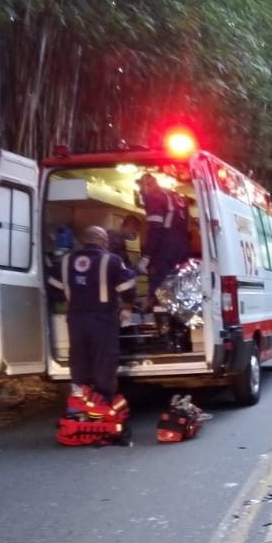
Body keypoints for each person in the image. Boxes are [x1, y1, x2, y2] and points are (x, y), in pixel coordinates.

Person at [47, 225, 137, 406]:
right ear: (104, 241)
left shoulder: (65, 260)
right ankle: (103, 404)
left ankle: (79, 403)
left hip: (76, 320)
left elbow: (53, 287)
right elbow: (127, 287)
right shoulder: (111, 260)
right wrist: (127, 306)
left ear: (83, 242)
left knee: (79, 359)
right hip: (102, 320)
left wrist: (67, 299)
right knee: (104, 361)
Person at [137, 172, 190, 310]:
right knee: (176, 290)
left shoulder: (154, 197)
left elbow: (156, 229)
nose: (140, 191)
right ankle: (177, 321)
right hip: (182, 249)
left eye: (141, 187)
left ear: (148, 184)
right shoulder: (177, 197)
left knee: (160, 291)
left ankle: (160, 320)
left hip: (165, 249)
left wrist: (146, 257)